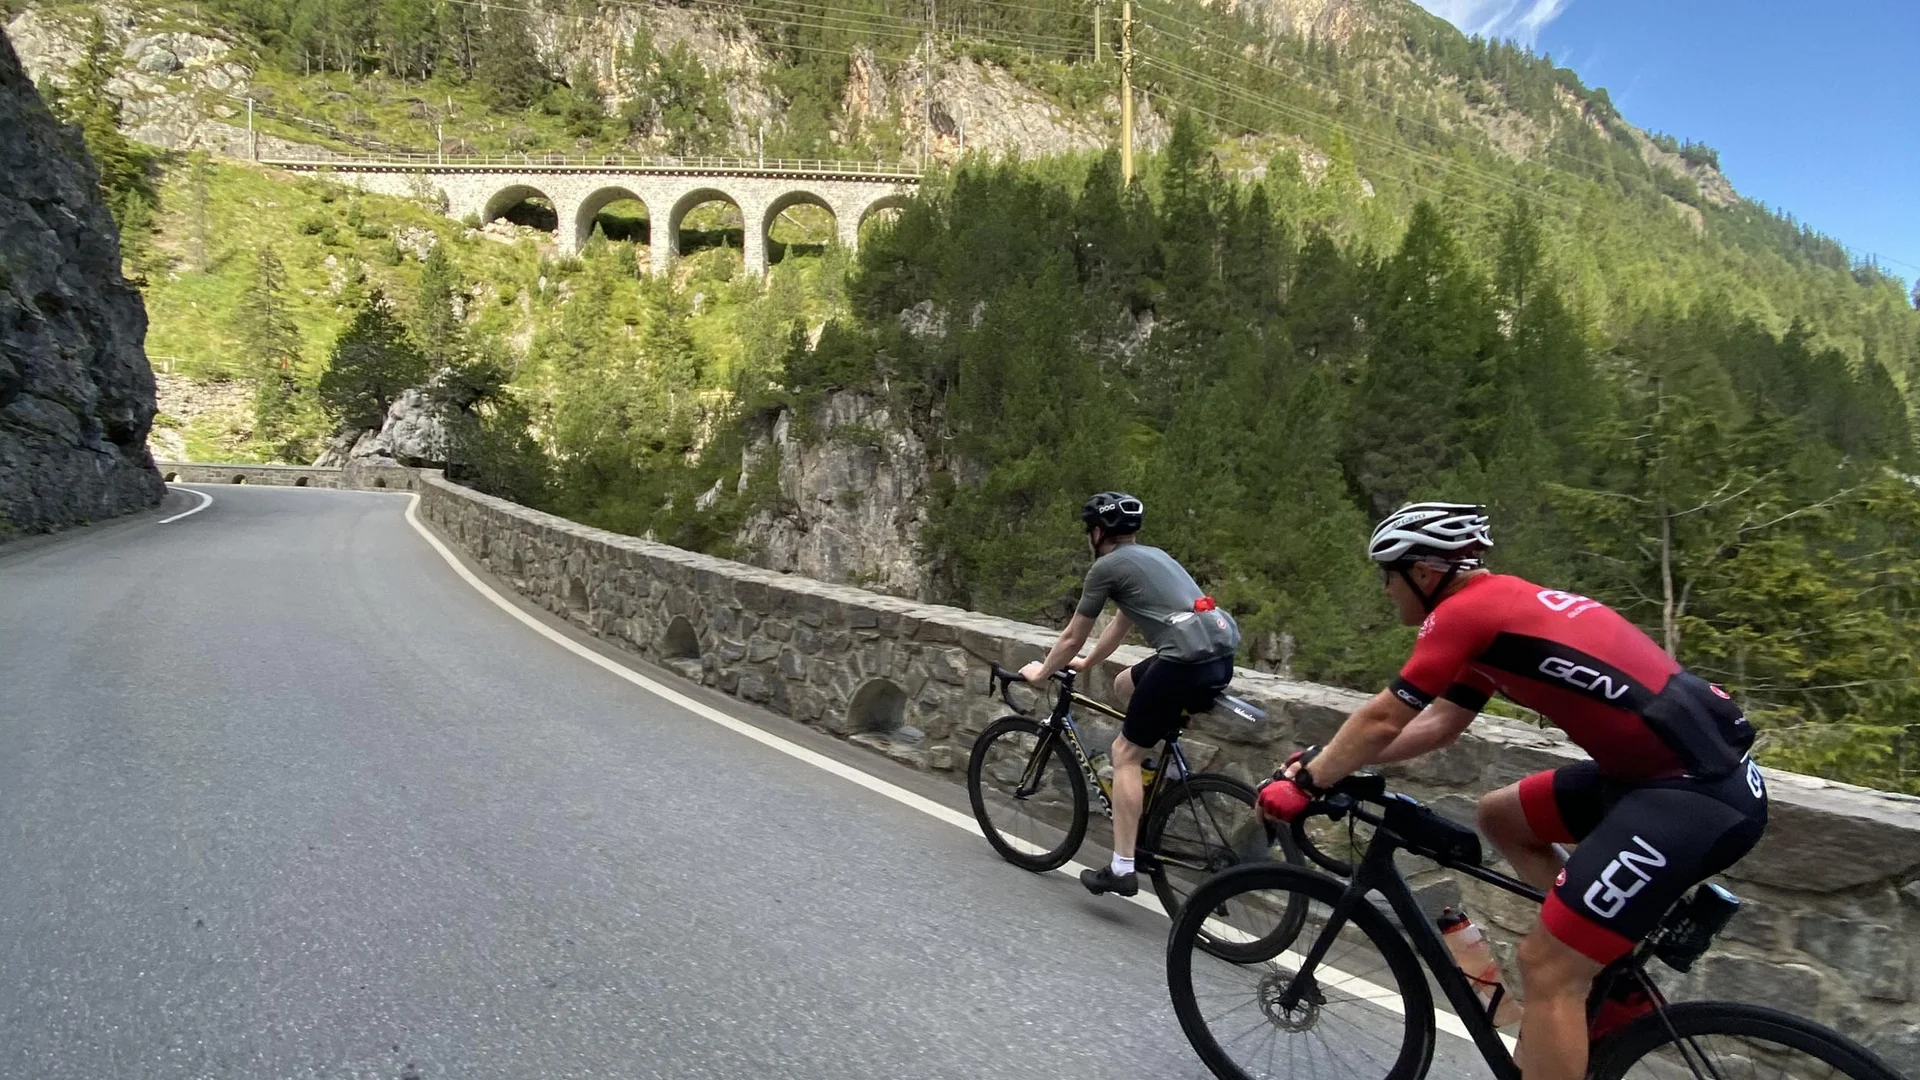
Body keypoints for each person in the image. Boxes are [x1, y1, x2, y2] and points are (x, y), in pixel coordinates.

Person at [1255, 501, 1767, 1080]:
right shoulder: (1501, 614)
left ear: (1424, 574)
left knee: (1546, 967)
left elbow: (1383, 718)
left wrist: (1305, 782)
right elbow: (1437, 724)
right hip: (1661, 779)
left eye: (1388, 575)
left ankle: (1580, 971)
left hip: (1690, 798)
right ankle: (1608, 972)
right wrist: (1328, 762)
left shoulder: (1464, 614)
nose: (1386, 589)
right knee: (1503, 817)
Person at [1020, 491, 1242, 897]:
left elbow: (1071, 637)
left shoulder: (1106, 567)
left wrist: (1042, 673)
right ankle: (1165, 772)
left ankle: (1122, 867)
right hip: (1217, 660)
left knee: (1124, 753)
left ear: (1099, 531)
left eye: (1090, 530)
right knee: (1125, 683)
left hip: (1181, 664)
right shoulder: (1154, 557)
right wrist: (1089, 664)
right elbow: (1123, 622)